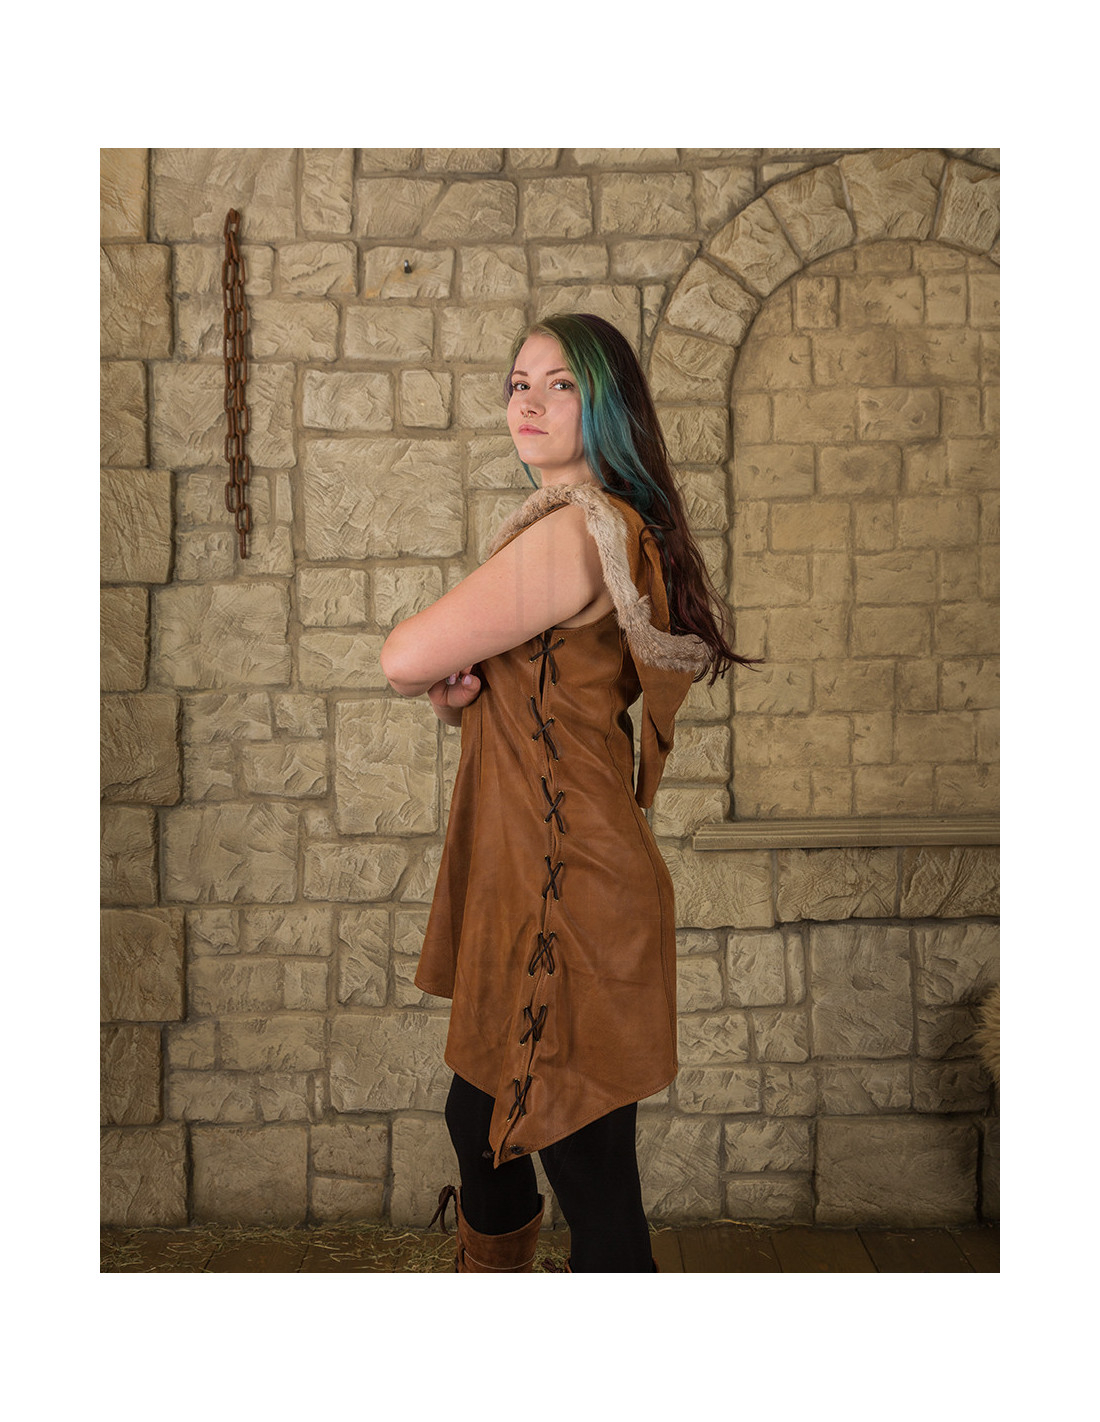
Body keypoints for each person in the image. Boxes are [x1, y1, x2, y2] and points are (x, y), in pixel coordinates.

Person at [380, 313, 752, 1273]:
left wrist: (433, 672)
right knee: (480, 1119)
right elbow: (548, 696)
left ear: (607, 407)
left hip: (569, 885)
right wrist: (464, 699)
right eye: (518, 383)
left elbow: (403, 655)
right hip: (546, 874)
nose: (530, 402)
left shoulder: (576, 531)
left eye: (561, 385)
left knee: (586, 1167)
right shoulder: (597, 529)